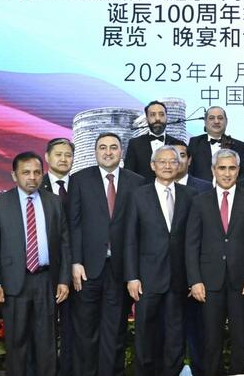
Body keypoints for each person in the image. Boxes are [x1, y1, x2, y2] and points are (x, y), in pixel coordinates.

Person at [0, 152, 71, 376]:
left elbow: (65, 243)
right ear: (14, 175)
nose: (32, 177)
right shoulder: (0, 203)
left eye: (36, 172)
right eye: (26, 172)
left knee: (47, 342)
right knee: (17, 342)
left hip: (46, 281)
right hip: (14, 282)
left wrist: (64, 280)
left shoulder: (53, 201)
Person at [186, 148, 244, 375]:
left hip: (243, 284)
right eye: (222, 168)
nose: (227, 173)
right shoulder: (199, 201)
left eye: (232, 168)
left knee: (241, 342)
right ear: (213, 170)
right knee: (210, 343)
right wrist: (195, 280)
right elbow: (191, 245)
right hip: (208, 284)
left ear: (238, 170)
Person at [69, 132, 144, 376]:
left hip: (121, 269)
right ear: (95, 151)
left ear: (121, 152)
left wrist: (135, 270)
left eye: (113, 147)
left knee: (115, 331)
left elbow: (139, 229)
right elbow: (74, 224)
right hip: (87, 268)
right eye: (103, 147)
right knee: (86, 330)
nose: (108, 152)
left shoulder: (137, 182)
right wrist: (76, 261)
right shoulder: (79, 179)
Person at [125, 145, 193, 376]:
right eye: (162, 161)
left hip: (179, 278)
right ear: (153, 165)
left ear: (179, 165)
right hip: (147, 278)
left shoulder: (190, 195)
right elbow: (130, 239)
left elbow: (193, 240)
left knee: (175, 335)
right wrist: (132, 276)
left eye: (172, 161)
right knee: (146, 333)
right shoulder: (138, 195)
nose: (167, 166)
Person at [171, 141, 208, 376]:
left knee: (199, 333)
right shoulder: (149, 189)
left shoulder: (205, 188)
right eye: (172, 156)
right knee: (169, 332)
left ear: (189, 159)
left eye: (182, 155)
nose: (177, 160)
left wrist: (196, 276)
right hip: (165, 274)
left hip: (198, 275)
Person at [40, 137, 75, 376]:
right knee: (44, 330)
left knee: (74, 329)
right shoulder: (35, 185)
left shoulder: (83, 185)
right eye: (58, 154)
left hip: (79, 270)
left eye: (68, 155)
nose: (63, 159)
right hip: (44, 271)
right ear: (47, 157)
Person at [187, 106, 244, 180]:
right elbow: (188, 171)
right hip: (200, 187)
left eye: (220, 118)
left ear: (226, 121)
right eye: (211, 118)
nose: (216, 121)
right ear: (205, 122)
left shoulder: (240, 146)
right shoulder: (194, 143)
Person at [124, 100, 183, 180]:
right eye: (152, 115)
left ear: (166, 117)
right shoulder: (134, 144)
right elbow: (128, 175)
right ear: (147, 119)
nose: (157, 118)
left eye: (161, 114)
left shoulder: (178, 145)